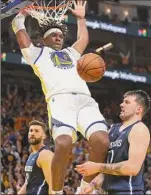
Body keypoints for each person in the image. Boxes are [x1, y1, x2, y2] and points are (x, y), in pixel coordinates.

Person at [12, 1, 109, 194]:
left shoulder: (71, 53)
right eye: (54, 35)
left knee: (102, 141)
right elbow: (23, 40)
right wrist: (19, 20)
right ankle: (56, 192)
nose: (58, 37)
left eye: (60, 35)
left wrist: (81, 18)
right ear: (45, 39)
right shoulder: (38, 54)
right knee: (63, 143)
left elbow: (83, 39)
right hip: (60, 101)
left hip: (85, 100)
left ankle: (83, 188)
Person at [76, 90, 151, 195]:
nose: (121, 104)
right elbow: (110, 168)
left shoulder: (139, 129)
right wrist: (92, 185)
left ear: (138, 109)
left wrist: (97, 166)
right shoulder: (113, 129)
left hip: (128, 192)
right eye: (122, 101)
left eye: (127, 102)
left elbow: (132, 168)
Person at [18, 120, 53, 195]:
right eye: (31, 131)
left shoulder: (45, 154)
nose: (32, 133)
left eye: (36, 131)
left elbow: (52, 185)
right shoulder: (32, 154)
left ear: (44, 136)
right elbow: (27, 182)